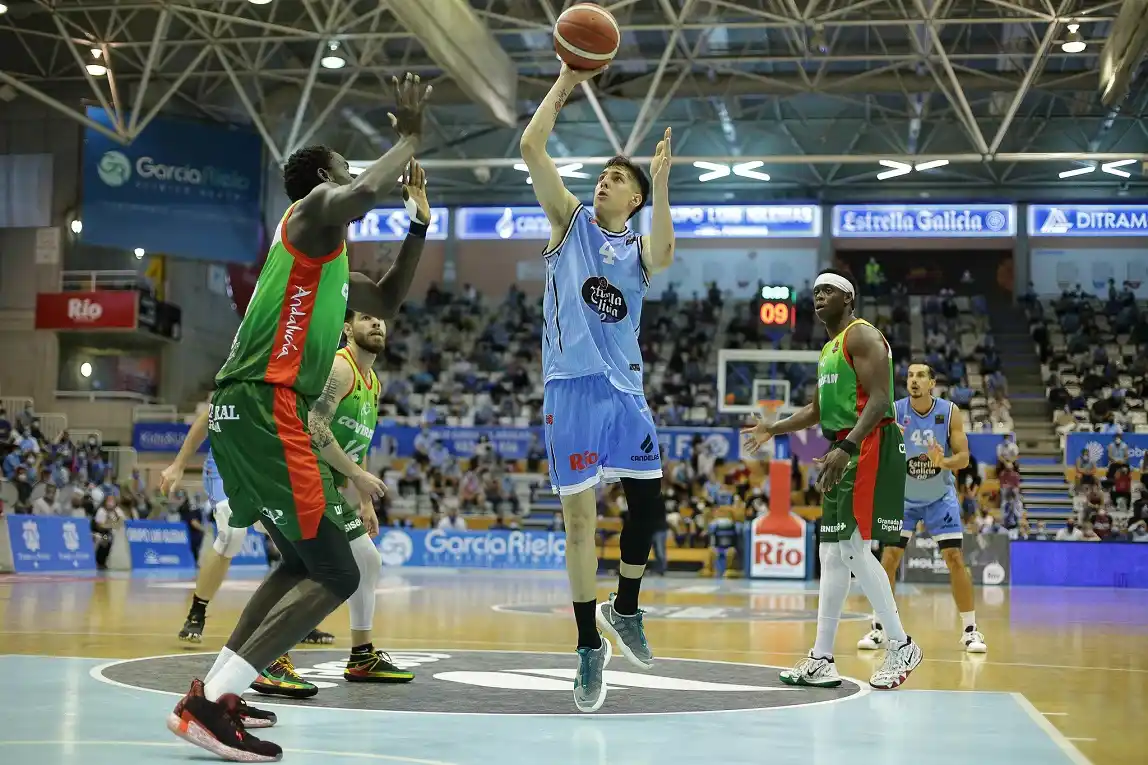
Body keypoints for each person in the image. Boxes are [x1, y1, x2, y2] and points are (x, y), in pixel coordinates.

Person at [166, 72, 432, 762]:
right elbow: (362, 189)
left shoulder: (329, 258)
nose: (349, 179)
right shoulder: (314, 210)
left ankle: (219, 690)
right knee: (340, 572)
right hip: (267, 403)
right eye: (342, 168)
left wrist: (421, 223)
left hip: (249, 404)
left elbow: (393, 295)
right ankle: (206, 703)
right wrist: (406, 138)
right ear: (322, 177)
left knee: (303, 561)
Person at [518, 61, 675, 712]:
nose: (603, 181)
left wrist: (662, 185)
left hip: (624, 389)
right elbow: (531, 146)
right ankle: (589, 645)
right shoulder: (570, 221)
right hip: (571, 388)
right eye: (603, 175)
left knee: (649, 507)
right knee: (579, 523)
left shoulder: (639, 247)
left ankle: (626, 605)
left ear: (633, 198)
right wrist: (566, 79)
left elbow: (664, 254)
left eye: (617, 178)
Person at [742, 269, 923, 691]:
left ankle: (901, 644)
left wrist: (849, 447)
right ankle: (822, 657)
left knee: (855, 551)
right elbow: (817, 409)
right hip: (843, 448)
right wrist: (774, 428)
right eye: (817, 291)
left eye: (829, 291)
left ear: (849, 298)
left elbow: (880, 399)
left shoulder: (862, 336)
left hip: (869, 443)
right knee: (831, 555)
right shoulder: (829, 350)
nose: (819, 296)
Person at [856, 363, 987, 654]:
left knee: (954, 558)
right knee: (888, 558)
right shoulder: (894, 410)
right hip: (903, 498)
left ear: (932, 383)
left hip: (940, 497)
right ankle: (879, 628)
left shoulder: (950, 412)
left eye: (920, 376)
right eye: (910, 376)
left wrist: (944, 462)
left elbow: (964, 457)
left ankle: (970, 631)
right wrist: (889, 440)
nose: (913, 381)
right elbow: (874, 451)